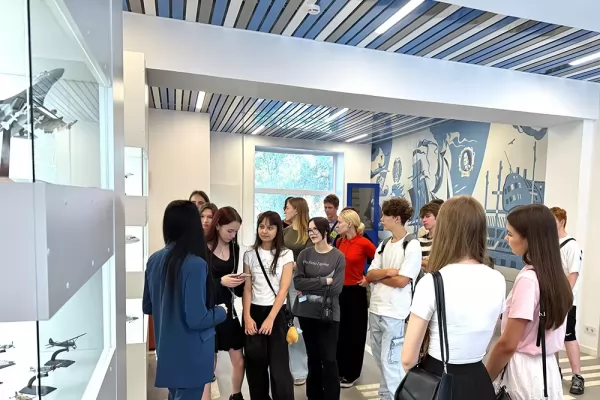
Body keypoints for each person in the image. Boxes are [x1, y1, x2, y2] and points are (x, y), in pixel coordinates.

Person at [402, 196, 505, 399]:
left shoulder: (432, 282)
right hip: (478, 379)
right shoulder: (498, 279)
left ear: (444, 230)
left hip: (438, 379)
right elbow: (488, 340)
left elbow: (408, 358)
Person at [143, 200, 227, 400]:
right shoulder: (195, 264)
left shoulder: (154, 259)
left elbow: (148, 306)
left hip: (167, 352)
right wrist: (221, 311)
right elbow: (197, 319)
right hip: (191, 354)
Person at [486, 204, 573, 400]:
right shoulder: (557, 277)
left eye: (510, 234)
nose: (506, 239)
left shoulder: (528, 279)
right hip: (547, 370)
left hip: (522, 373)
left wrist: (484, 380)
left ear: (529, 238)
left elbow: (508, 344)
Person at [365, 197, 422, 400]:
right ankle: (385, 395)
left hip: (394, 312)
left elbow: (402, 281)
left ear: (397, 218)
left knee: (391, 363)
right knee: (380, 361)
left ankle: (394, 396)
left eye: (385, 216)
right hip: (376, 309)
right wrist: (388, 272)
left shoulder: (412, 245)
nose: (381, 219)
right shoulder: (384, 244)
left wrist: (380, 276)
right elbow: (370, 274)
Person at [243, 211, 295, 400]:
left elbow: (283, 289)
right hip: (254, 312)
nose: (264, 231)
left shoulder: (286, 254)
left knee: (279, 368)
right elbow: (247, 288)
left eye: (270, 227)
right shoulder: (249, 254)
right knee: (255, 366)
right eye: (261, 226)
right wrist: (247, 317)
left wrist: (271, 318)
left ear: (278, 230)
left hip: (276, 313)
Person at [293, 217, 346, 400]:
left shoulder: (338, 257)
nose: (312, 233)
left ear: (325, 231)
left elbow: (336, 289)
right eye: (309, 230)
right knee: (313, 357)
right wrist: (324, 281)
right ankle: (314, 396)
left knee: (329, 358)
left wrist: (310, 285)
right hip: (306, 313)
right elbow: (297, 282)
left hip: (329, 314)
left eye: (315, 229)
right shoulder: (304, 255)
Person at [205, 207, 246, 400]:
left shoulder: (235, 249)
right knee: (209, 362)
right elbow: (198, 284)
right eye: (230, 231)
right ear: (218, 225)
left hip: (228, 309)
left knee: (239, 358)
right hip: (207, 309)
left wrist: (239, 281)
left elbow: (234, 287)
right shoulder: (202, 247)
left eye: (236, 231)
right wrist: (220, 281)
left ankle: (236, 395)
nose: (233, 235)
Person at [335, 209, 376, 388]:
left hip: (356, 292)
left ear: (350, 224)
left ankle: (351, 373)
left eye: (340, 222)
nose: (337, 225)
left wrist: (368, 278)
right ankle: (339, 369)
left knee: (355, 334)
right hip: (339, 291)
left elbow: (378, 261)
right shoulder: (339, 241)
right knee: (339, 332)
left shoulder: (364, 243)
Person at [550, 206, 584, 395]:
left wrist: (563, 297)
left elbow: (573, 274)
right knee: (552, 336)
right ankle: (555, 370)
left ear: (562, 221)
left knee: (568, 336)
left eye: (552, 221)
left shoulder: (572, 245)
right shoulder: (550, 244)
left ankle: (577, 376)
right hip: (551, 299)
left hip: (566, 301)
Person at [283, 197, 311, 385]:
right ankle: (287, 365)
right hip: (282, 281)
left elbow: (311, 258)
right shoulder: (284, 232)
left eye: (288, 208)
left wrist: (295, 265)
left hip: (299, 283)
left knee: (297, 324)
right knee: (285, 322)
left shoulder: (308, 233)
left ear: (297, 210)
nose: (285, 210)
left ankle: (300, 369)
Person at [418, 201, 441, 269]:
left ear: (437, 217)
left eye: (427, 216)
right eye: (422, 217)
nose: (424, 220)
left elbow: (439, 265)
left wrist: (420, 261)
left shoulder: (445, 240)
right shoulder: (419, 241)